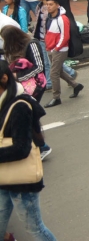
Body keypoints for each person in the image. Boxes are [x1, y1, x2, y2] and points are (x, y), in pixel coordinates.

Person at [0, 61, 57, 241]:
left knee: (35, 229)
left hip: (21, 182)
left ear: (4, 78)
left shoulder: (19, 106)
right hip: (3, 177)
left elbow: (21, 149)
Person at [43, 0, 83, 108]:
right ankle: (75, 85)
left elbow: (65, 36)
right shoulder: (50, 17)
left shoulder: (62, 18)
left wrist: (56, 48)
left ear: (57, 5)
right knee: (59, 71)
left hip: (59, 50)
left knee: (53, 73)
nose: (48, 7)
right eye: (47, 5)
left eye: (51, 4)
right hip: (51, 48)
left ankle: (56, 98)